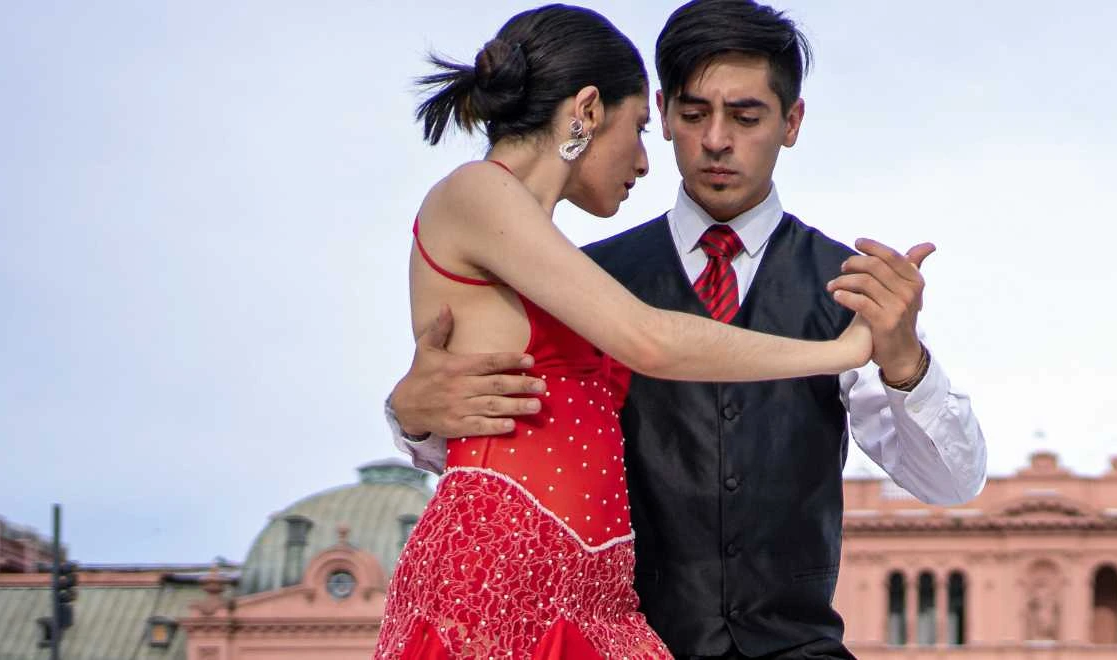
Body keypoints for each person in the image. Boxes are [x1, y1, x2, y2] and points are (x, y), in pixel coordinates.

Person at [384, 1, 990, 658]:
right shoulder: (581, 277)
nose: (717, 140)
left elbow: (951, 483)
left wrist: (905, 362)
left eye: (747, 115)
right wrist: (410, 415)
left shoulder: (847, 288)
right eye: (693, 115)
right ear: (667, 112)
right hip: (612, 635)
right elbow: (517, 441)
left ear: (792, 122)